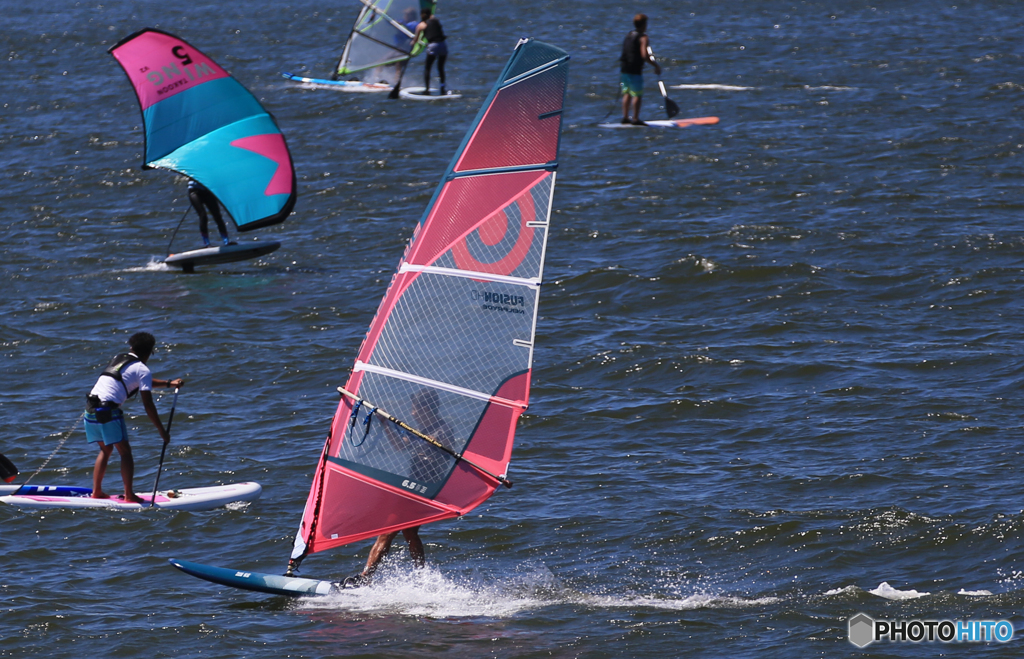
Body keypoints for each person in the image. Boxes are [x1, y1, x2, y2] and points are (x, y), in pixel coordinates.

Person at [345, 389, 454, 585]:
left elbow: (444, 448)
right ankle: (422, 577)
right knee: (409, 532)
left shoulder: (442, 430)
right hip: (412, 488)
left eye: (415, 409)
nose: (412, 413)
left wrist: (422, 438)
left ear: (427, 409)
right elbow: (399, 446)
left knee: (388, 530)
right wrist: (386, 423)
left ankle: (365, 579)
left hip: (423, 490)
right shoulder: (421, 431)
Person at [85, 332, 184, 502]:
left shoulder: (120, 357)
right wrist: (162, 432)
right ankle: (129, 495)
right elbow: (148, 404)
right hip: (109, 411)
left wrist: (169, 383)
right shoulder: (142, 368)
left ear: (132, 348)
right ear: (148, 353)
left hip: (90, 408)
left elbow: (138, 380)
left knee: (106, 449)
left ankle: (97, 492)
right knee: (125, 452)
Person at [619, 13, 661, 125]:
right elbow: (644, 55)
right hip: (635, 69)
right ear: (644, 25)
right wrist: (656, 65)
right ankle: (635, 119)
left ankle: (625, 117)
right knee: (637, 94)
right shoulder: (643, 37)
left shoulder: (629, 34)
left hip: (624, 68)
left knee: (627, 92)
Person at [412, 8, 447, 95]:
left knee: (428, 68)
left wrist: (411, 44)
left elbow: (415, 40)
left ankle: (427, 90)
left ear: (422, 15)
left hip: (433, 46)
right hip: (443, 45)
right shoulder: (436, 21)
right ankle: (442, 88)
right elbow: (432, 17)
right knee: (441, 68)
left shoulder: (421, 25)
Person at [188, 179, 231, 247]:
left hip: (207, 191)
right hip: (194, 191)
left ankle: (226, 242)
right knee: (203, 216)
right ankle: (207, 244)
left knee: (217, 216)